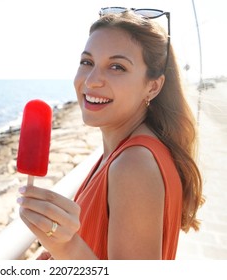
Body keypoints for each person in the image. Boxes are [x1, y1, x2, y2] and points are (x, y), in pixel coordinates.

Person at [17, 8, 204, 260]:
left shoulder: (134, 165)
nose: (92, 80)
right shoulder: (122, 151)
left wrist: (66, 245)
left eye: (117, 67)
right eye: (87, 62)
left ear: (153, 86)